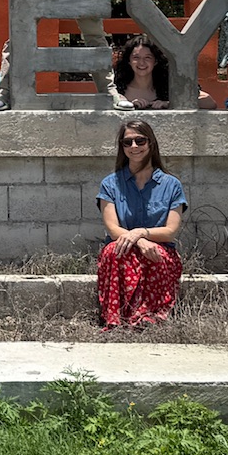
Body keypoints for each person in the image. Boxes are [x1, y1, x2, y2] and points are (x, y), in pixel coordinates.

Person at [94, 120, 187, 326]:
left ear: (150, 143)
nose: (134, 147)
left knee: (157, 254)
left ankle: (150, 317)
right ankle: (118, 318)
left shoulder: (171, 185)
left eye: (140, 140)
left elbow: (170, 232)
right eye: (127, 142)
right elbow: (112, 228)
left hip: (158, 248)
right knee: (114, 251)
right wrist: (138, 240)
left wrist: (140, 233)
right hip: (123, 245)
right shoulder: (110, 184)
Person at [111, 34, 172, 109]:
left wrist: (168, 105)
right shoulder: (116, 90)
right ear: (128, 60)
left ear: (156, 61)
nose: (141, 63)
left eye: (147, 57)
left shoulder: (170, 90)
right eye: (136, 57)